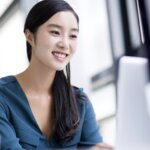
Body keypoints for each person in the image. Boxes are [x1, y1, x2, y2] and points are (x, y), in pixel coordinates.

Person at [0, 0, 113, 149]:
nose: (65, 44)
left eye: (72, 36)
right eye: (55, 32)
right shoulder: (3, 97)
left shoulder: (80, 101)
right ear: (30, 36)